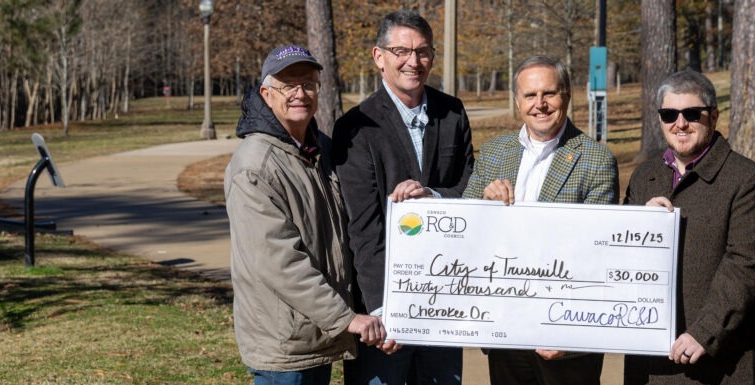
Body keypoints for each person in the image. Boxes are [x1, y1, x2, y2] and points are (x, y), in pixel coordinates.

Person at [225, 45, 397, 385]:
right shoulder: (255, 166)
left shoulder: (321, 149)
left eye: (308, 84)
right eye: (288, 85)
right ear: (266, 93)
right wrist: (346, 319)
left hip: (317, 332)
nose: (300, 94)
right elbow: (278, 261)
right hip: (284, 343)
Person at [327, 10, 474, 385]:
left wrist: (434, 195)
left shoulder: (452, 113)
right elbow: (363, 227)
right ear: (379, 57)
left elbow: (470, 188)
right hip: (384, 307)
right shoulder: (356, 127)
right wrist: (382, 311)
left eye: (423, 51)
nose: (414, 61)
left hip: (444, 298)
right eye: (402, 51)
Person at [463, 55, 619, 385]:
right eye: (530, 95)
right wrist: (484, 204)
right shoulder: (494, 152)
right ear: (517, 101)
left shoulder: (596, 158)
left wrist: (571, 331)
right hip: (505, 327)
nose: (540, 104)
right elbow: (464, 228)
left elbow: (597, 253)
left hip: (563, 336)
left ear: (566, 95)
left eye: (549, 93)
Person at [623, 70, 755, 385]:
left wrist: (705, 332)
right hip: (649, 363)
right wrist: (636, 222)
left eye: (692, 114)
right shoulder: (644, 176)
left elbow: (746, 266)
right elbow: (616, 257)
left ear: (714, 116)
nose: (680, 124)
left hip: (715, 361)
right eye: (669, 114)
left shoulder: (747, 180)